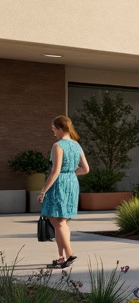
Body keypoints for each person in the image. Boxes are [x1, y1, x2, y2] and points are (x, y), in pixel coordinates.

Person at [37, 115, 89, 269]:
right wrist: (70, 173)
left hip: (59, 184)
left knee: (58, 222)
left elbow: (55, 171)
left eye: (54, 129)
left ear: (60, 128)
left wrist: (43, 191)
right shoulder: (76, 145)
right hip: (72, 183)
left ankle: (69, 254)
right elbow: (86, 169)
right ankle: (61, 258)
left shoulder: (58, 146)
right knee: (62, 222)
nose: (53, 132)